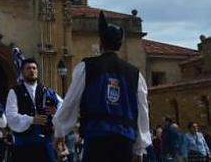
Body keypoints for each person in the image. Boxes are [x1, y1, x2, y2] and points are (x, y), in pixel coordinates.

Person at [53, 11, 151, 162]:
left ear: (100, 43)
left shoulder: (86, 67)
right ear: (119, 45)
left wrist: (60, 132)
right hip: (124, 140)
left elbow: (71, 101)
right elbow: (142, 112)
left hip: (96, 137)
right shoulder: (135, 75)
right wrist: (139, 148)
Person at [6, 57, 63, 162]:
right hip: (24, 144)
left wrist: (56, 112)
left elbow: (63, 108)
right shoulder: (15, 92)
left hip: (45, 143)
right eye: (28, 68)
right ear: (22, 72)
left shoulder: (48, 92)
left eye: (34, 68)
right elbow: (10, 116)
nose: (32, 71)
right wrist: (31, 119)